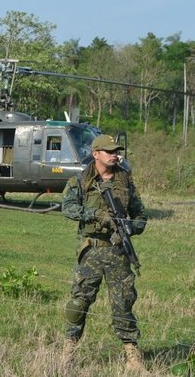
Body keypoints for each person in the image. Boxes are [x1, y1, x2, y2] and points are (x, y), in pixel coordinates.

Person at [60, 134, 147, 373]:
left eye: (116, 151)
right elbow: (67, 208)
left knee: (123, 304)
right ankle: (68, 351)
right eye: (109, 151)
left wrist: (130, 227)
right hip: (91, 252)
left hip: (118, 253)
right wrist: (95, 215)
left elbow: (141, 216)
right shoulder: (80, 180)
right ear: (95, 153)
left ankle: (132, 356)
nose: (114, 154)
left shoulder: (125, 182)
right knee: (79, 302)